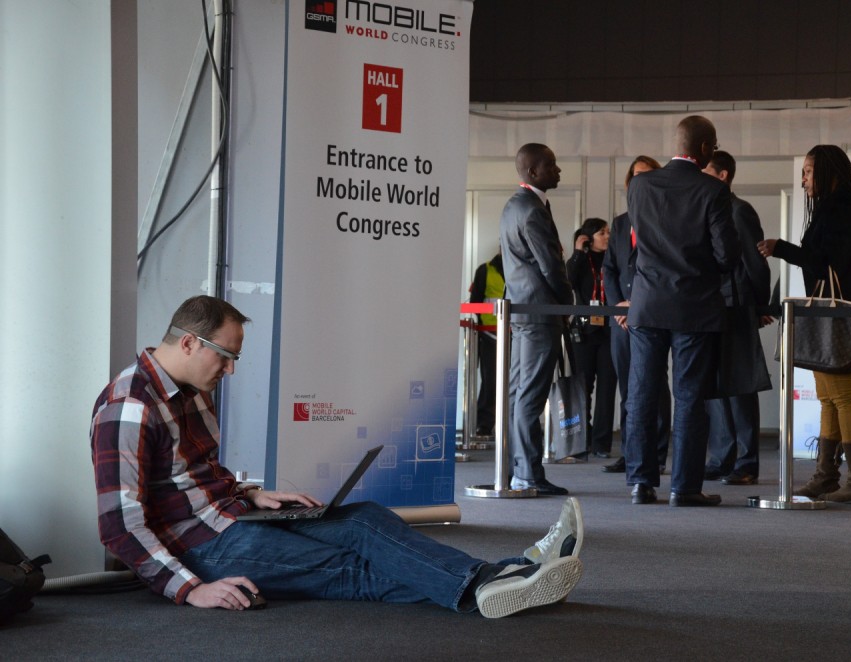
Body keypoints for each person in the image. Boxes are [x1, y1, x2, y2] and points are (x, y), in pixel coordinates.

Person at [90, 295, 584, 617]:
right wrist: (188, 589)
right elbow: (121, 526)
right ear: (191, 342)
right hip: (202, 549)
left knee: (362, 519)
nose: (231, 371)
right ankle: (499, 584)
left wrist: (251, 493)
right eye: (228, 357)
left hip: (233, 517)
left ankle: (504, 580)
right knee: (347, 564)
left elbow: (191, 475)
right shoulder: (129, 409)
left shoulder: (192, 386)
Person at [624, 116, 740, 506]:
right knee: (689, 397)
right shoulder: (712, 190)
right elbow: (726, 256)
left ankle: (641, 483)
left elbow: (641, 243)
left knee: (641, 394)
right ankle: (684, 488)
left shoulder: (639, 186)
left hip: (647, 304)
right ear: (706, 148)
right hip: (693, 307)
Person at [758, 144, 851, 504]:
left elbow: (826, 259)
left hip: (842, 310)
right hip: (836, 308)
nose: (804, 179)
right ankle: (827, 475)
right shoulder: (838, 206)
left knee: (842, 395)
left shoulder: (840, 207)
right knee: (829, 397)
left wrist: (781, 248)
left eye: (808, 171)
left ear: (827, 171)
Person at [499, 143, 575, 495]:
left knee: (519, 394)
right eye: (551, 165)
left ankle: (521, 469)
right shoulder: (530, 210)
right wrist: (567, 302)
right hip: (539, 312)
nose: (558, 170)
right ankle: (527, 473)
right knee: (530, 395)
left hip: (524, 309)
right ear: (532, 172)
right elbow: (550, 265)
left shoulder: (517, 205)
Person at [701, 151, 772, 486]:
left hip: (738, 303)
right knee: (713, 383)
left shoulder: (739, 210)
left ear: (724, 175)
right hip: (708, 306)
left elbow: (756, 263)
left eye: (707, 172)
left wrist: (760, 306)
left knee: (741, 384)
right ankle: (720, 456)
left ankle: (746, 461)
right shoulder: (705, 206)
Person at [601, 156, 672, 476]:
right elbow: (609, 269)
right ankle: (631, 452)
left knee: (655, 387)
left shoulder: (666, 220)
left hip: (651, 314)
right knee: (628, 389)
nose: (641, 182)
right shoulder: (619, 223)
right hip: (621, 320)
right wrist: (618, 306)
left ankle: (655, 454)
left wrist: (638, 305)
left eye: (647, 176)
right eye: (636, 177)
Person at [566, 218, 617, 458]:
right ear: (589, 237)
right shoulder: (581, 261)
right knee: (582, 388)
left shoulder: (613, 258)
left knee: (607, 388)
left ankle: (601, 443)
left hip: (609, 330)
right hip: (584, 331)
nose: (607, 236)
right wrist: (578, 252)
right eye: (601, 233)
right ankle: (580, 441)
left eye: (608, 232)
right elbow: (568, 281)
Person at [468, 251, 505, 436]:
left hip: (519, 333)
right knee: (490, 381)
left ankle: (514, 424)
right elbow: (475, 302)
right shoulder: (485, 270)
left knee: (519, 382)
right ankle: (484, 423)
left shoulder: (523, 268)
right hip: (490, 334)